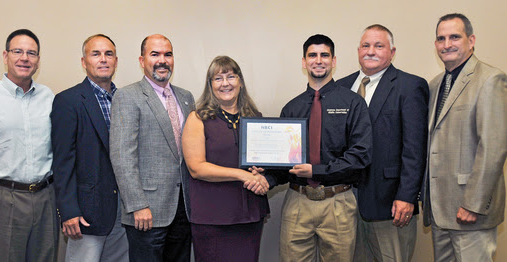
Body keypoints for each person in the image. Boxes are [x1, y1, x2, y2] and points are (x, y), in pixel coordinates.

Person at [266, 34, 372, 262]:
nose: (318, 60)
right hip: (297, 202)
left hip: (338, 202)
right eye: (312, 55)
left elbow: (360, 156)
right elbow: (284, 163)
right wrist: (266, 178)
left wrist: (316, 171)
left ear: (334, 61)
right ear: (304, 62)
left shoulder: (353, 103)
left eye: (324, 55)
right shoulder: (291, 108)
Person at [336, 24, 429, 262]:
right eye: (366, 45)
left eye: (379, 45)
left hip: (390, 202)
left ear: (392, 51)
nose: (371, 51)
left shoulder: (409, 86)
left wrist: (407, 196)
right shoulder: (341, 87)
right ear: (358, 50)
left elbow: (414, 148)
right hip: (345, 200)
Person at [423, 13, 507, 261]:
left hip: (470, 211)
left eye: (454, 37)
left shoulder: (490, 79)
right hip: (441, 209)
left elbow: (493, 148)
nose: (446, 44)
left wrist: (474, 204)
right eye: (440, 38)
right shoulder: (435, 84)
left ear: (471, 40)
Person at [0, 29, 58, 262]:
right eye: (17, 51)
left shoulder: (49, 97)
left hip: (45, 197)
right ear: (5, 55)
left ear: (38, 61)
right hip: (2, 197)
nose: (25, 58)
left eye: (31, 53)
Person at [109, 34, 194, 262]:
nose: (162, 60)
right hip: (147, 212)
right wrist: (138, 205)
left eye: (167, 54)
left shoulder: (186, 97)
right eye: (154, 54)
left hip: (183, 208)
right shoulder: (127, 96)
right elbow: (122, 156)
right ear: (141, 60)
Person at [182, 56, 270, 262]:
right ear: (210, 85)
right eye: (218, 78)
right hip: (213, 218)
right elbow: (196, 168)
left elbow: (264, 161)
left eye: (231, 76)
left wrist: (261, 173)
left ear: (240, 81)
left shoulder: (256, 117)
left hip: (249, 216)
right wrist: (241, 175)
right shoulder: (197, 118)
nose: (225, 83)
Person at [51, 34, 129, 261]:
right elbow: (62, 161)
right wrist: (68, 211)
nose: (103, 59)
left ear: (116, 61)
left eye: (109, 54)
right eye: (96, 54)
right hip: (86, 214)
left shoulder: (125, 99)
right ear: (84, 62)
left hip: (122, 212)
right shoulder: (68, 101)